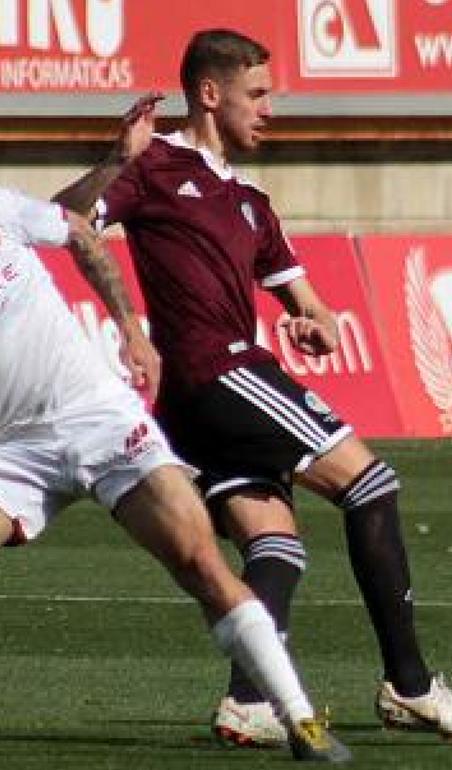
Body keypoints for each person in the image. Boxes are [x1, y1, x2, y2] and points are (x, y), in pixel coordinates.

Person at [54, 28, 452, 747]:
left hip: (212, 392)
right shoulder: (157, 165)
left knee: (275, 545)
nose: (269, 110)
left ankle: (249, 702)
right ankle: (411, 686)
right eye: (256, 94)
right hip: (216, 370)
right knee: (373, 485)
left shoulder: (253, 202)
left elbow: (311, 308)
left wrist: (313, 323)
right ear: (210, 94)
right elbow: (67, 222)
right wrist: (117, 164)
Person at [0, 184, 350, 763]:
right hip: (12, 452)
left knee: (202, 564)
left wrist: (130, 330)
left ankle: (301, 720)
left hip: (98, 418)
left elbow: (82, 233)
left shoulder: (5, 210)